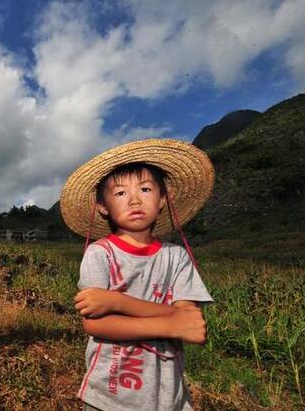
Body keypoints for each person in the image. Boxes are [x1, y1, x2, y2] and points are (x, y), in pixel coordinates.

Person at [59, 139, 215, 410]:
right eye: (120, 193)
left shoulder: (175, 256)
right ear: (103, 207)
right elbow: (95, 325)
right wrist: (171, 323)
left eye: (145, 189)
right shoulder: (100, 253)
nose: (134, 200)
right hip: (109, 397)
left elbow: (189, 319)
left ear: (163, 199)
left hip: (168, 397)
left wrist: (116, 302)